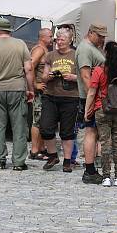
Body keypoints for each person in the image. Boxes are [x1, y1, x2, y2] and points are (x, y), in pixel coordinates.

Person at [0, 17, 35, 171]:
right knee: (19, 126)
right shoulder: (20, 44)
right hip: (16, 89)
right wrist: (31, 89)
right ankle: (18, 162)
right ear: (10, 31)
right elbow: (28, 69)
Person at [86, 41, 117, 187]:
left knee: (105, 143)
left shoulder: (99, 70)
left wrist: (87, 110)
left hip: (102, 109)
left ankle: (106, 176)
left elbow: (92, 92)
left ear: (106, 53)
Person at [40, 28, 79, 173]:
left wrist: (73, 77)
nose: (59, 41)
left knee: (67, 131)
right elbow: (43, 77)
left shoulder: (76, 55)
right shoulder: (50, 55)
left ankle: (67, 161)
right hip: (50, 95)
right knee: (45, 127)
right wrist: (49, 76)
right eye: (57, 39)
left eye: (63, 39)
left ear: (70, 40)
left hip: (70, 97)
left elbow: (84, 76)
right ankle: (52, 155)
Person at [77, 23, 107, 184]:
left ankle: (92, 167)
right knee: (91, 132)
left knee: (94, 133)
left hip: (94, 97)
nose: (103, 39)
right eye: (100, 36)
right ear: (91, 33)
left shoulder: (92, 48)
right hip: (91, 98)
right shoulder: (85, 49)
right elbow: (86, 76)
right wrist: (94, 99)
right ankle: (89, 170)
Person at [29, 28, 53, 160]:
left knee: (43, 119)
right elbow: (31, 65)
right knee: (37, 120)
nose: (52, 38)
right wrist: (34, 85)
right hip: (39, 91)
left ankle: (42, 147)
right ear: (42, 37)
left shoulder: (45, 50)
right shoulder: (39, 50)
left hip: (45, 91)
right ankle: (34, 150)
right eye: (50, 36)